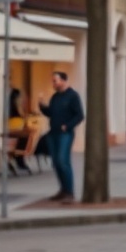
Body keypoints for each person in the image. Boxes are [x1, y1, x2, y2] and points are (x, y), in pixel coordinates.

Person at [38, 71, 85, 204]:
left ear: (64, 81)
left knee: (63, 161)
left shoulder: (73, 96)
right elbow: (51, 113)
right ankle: (62, 190)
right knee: (56, 163)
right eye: (53, 81)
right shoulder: (55, 97)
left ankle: (69, 192)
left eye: (55, 81)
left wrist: (68, 126)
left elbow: (80, 115)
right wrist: (42, 106)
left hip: (65, 133)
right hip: (53, 133)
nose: (53, 83)